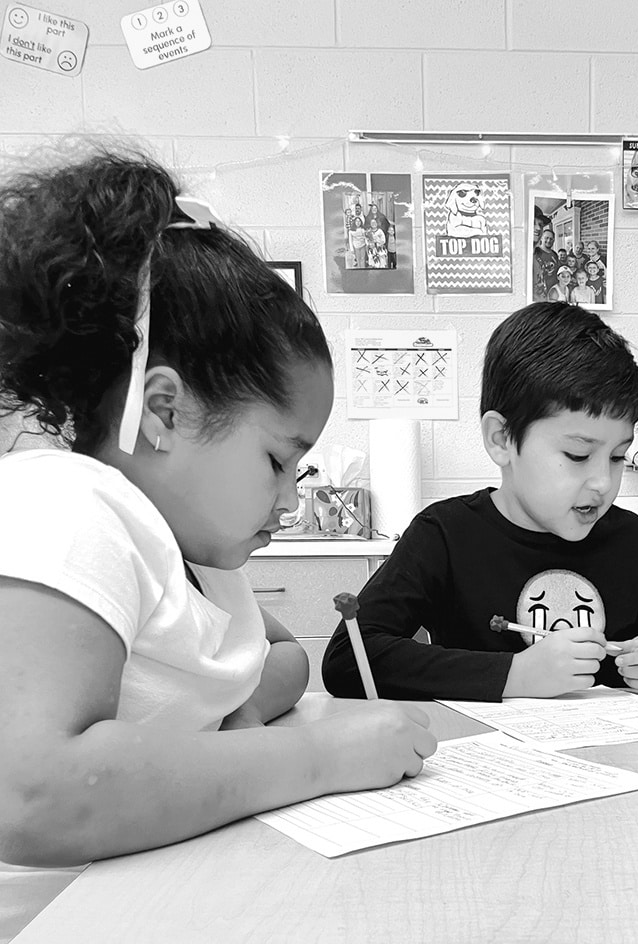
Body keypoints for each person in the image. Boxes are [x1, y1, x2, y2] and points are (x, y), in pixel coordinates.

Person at [0, 146, 436, 941]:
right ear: (164, 412)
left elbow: (279, 658)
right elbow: (35, 795)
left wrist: (234, 718)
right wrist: (317, 760)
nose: (291, 497)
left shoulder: (195, 548)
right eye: (277, 460)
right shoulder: (70, 507)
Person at [322, 302, 638, 701]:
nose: (603, 482)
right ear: (501, 439)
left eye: (618, 456)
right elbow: (347, 659)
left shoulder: (632, 540)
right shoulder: (446, 535)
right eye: (578, 455)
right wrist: (514, 674)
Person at [532, 226, 559, 301]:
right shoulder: (535, 252)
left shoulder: (555, 254)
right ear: (541, 238)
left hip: (552, 292)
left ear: (553, 240)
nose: (548, 240)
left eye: (551, 239)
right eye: (546, 238)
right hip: (539, 293)